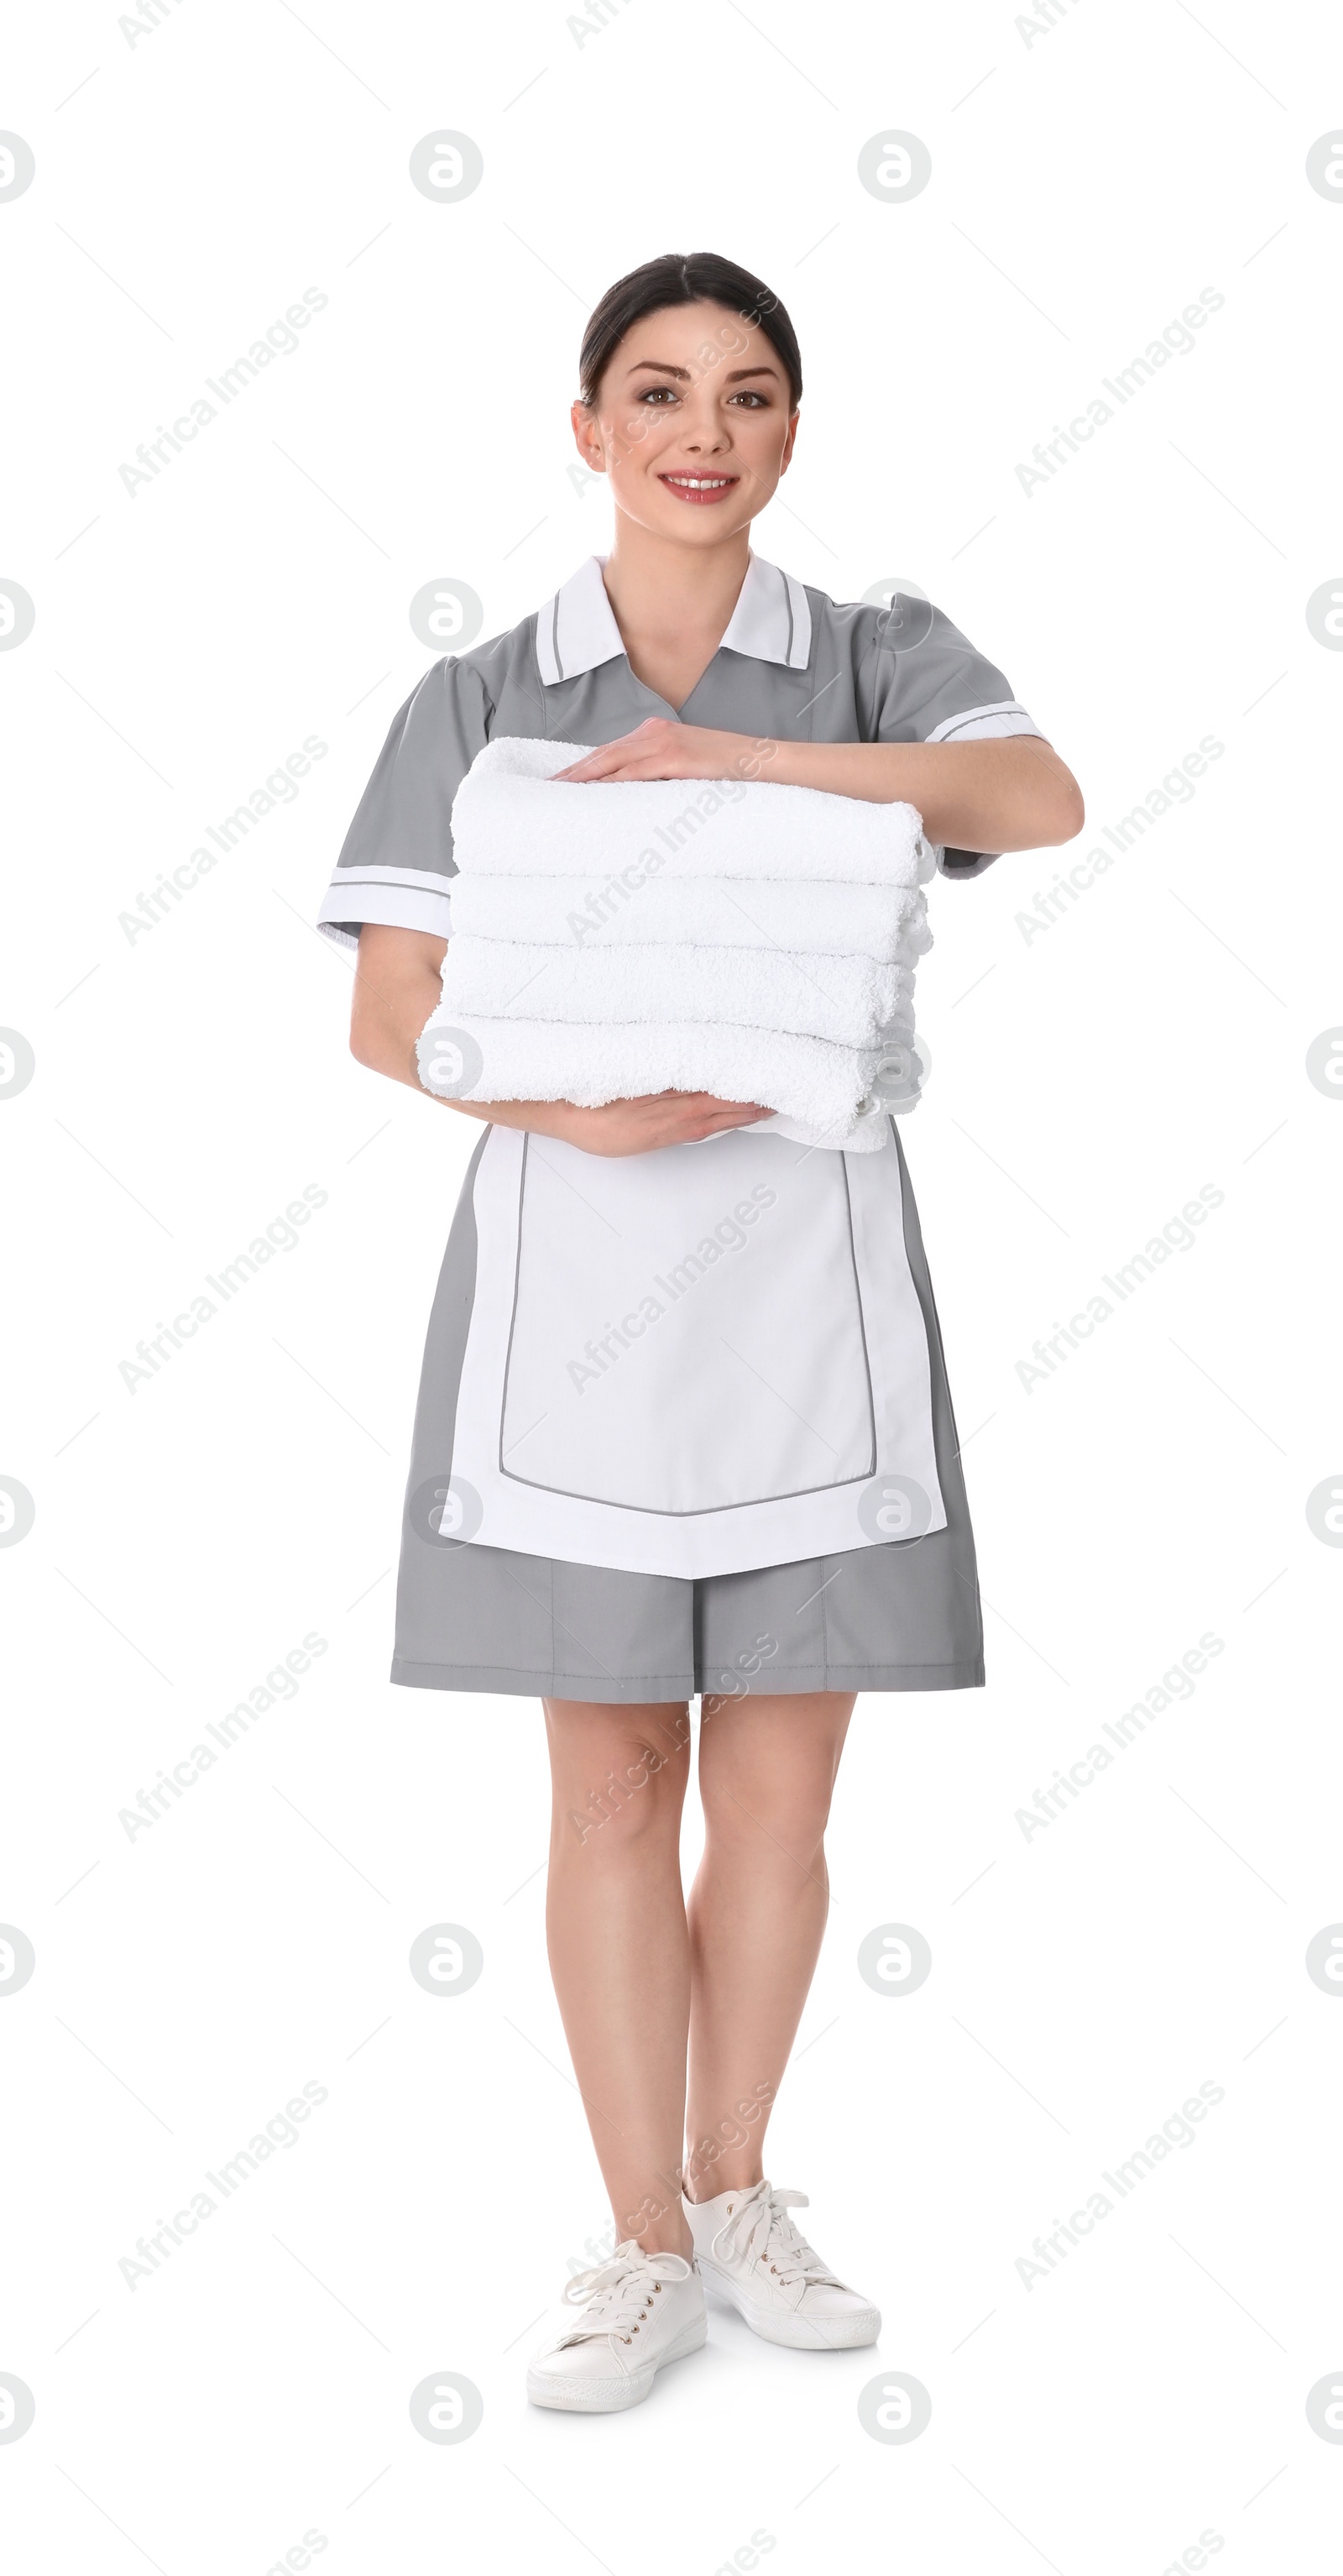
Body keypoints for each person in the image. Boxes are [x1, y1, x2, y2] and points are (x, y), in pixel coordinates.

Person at [318, 249, 1083, 2413]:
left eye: (748, 394)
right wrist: (586, 1105)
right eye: (655, 391)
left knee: (778, 1770)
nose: (701, 429)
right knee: (607, 1774)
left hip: (808, 1275)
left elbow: (1031, 801)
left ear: (787, 435)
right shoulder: (476, 697)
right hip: (572, 1271)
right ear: (586, 428)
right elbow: (389, 1016)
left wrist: (730, 773)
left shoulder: (870, 660)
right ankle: (635, 2235)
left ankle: (740, 2181)